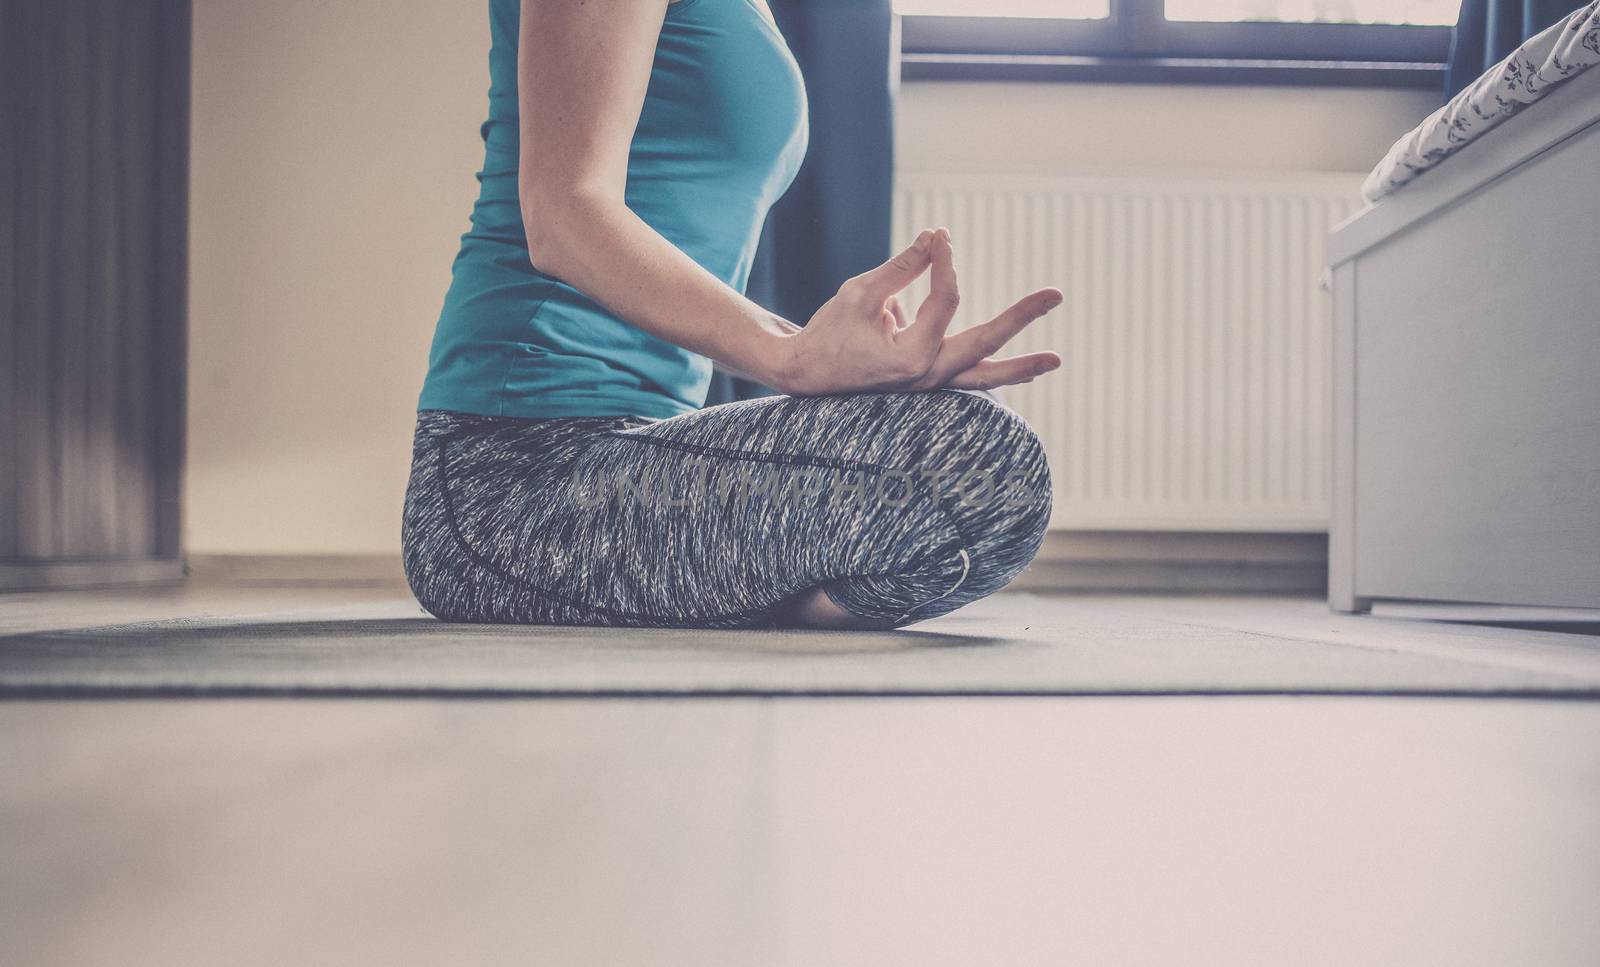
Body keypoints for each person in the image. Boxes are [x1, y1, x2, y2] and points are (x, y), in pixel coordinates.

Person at [402, 0, 1064, 629]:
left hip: (647, 449)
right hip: (513, 475)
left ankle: (727, 604)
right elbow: (563, 212)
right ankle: (740, 600)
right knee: (986, 467)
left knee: (981, 478)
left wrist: (843, 362)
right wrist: (792, 357)